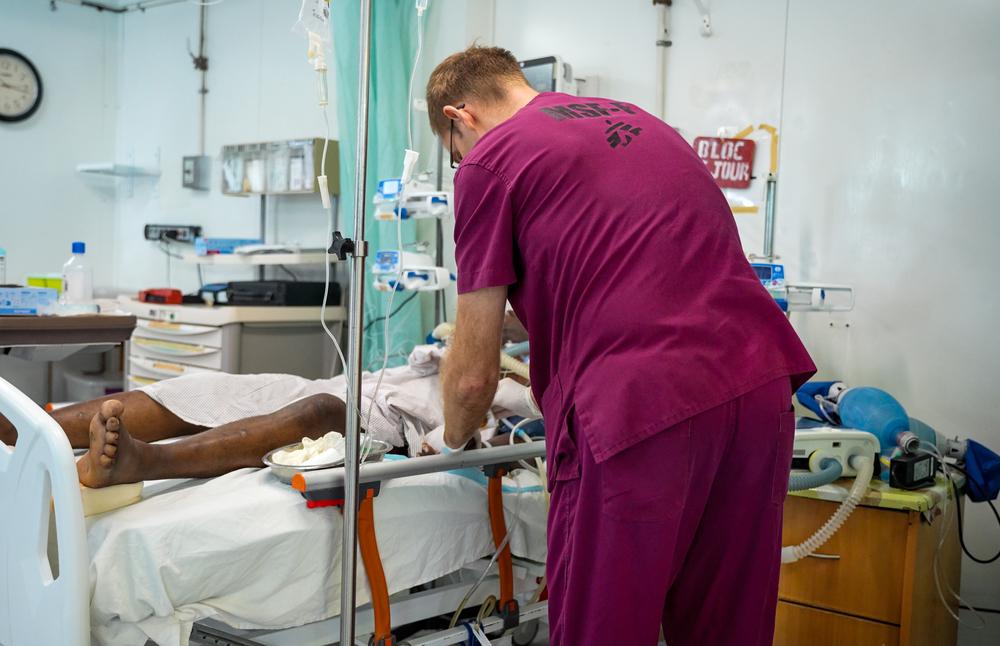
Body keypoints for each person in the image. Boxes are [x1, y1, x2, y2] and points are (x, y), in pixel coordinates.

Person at [427, 46, 817, 645]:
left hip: (639, 409)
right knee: (727, 629)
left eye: (454, 155)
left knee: (604, 629)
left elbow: (473, 378)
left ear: (462, 116)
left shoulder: (490, 162)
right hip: (759, 385)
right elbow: (634, 270)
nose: (461, 166)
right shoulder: (640, 122)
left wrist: (448, 438)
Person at [0, 348, 534, 489]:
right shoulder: (473, 344)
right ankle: (16, 427)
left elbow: (477, 426)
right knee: (203, 389)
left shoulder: (531, 389)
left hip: (383, 430)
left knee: (319, 417)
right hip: (345, 385)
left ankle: (140, 463)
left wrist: (515, 382)